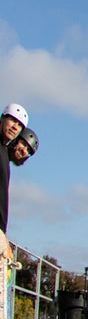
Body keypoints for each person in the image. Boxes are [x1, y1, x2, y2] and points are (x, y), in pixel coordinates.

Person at [0, 101, 28, 241]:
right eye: (12, 120)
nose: (15, 127)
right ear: (3, 118)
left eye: (19, 126)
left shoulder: (4, 152)